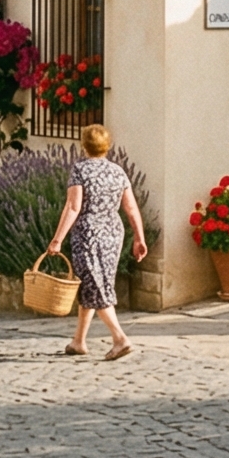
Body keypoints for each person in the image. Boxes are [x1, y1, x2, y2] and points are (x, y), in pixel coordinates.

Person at [44, 124, 148, 361]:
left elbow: (73, 207)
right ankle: (79, 341)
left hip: (88, 235)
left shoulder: (80, 170)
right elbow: (131, 208)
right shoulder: (118, 171)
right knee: (92, 283)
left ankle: (120, 339)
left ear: (84, 145)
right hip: (113, 234)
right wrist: (139, 237)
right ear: (107, 146)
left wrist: (57, 240)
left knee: (96, 285)